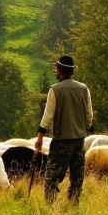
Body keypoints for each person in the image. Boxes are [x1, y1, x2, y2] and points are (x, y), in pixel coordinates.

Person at [35, 55, 93, 204]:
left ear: (60, 71)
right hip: (79, 139)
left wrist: (40, 136)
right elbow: (89, 114)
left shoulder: (55, 90)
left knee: (52, 176)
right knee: (77, 176)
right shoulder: (84, 88)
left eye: (56, 68)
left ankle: (51, 206)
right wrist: (86, 126)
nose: (55, 71)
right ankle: (73, 205)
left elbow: (48, 116)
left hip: (61, 140)